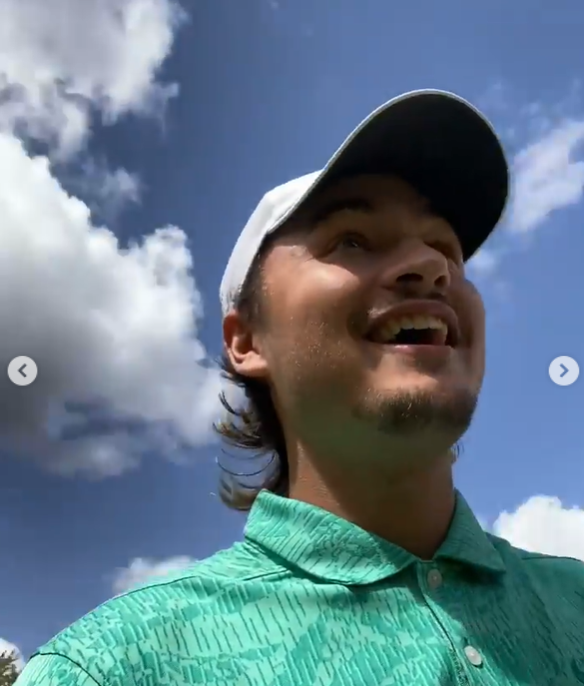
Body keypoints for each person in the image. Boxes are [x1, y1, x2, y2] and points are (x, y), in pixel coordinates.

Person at [16, 90, 584, 686]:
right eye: (353, 240)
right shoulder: (114, 668)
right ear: (248, 341)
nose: (431, 264)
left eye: (446, 248)